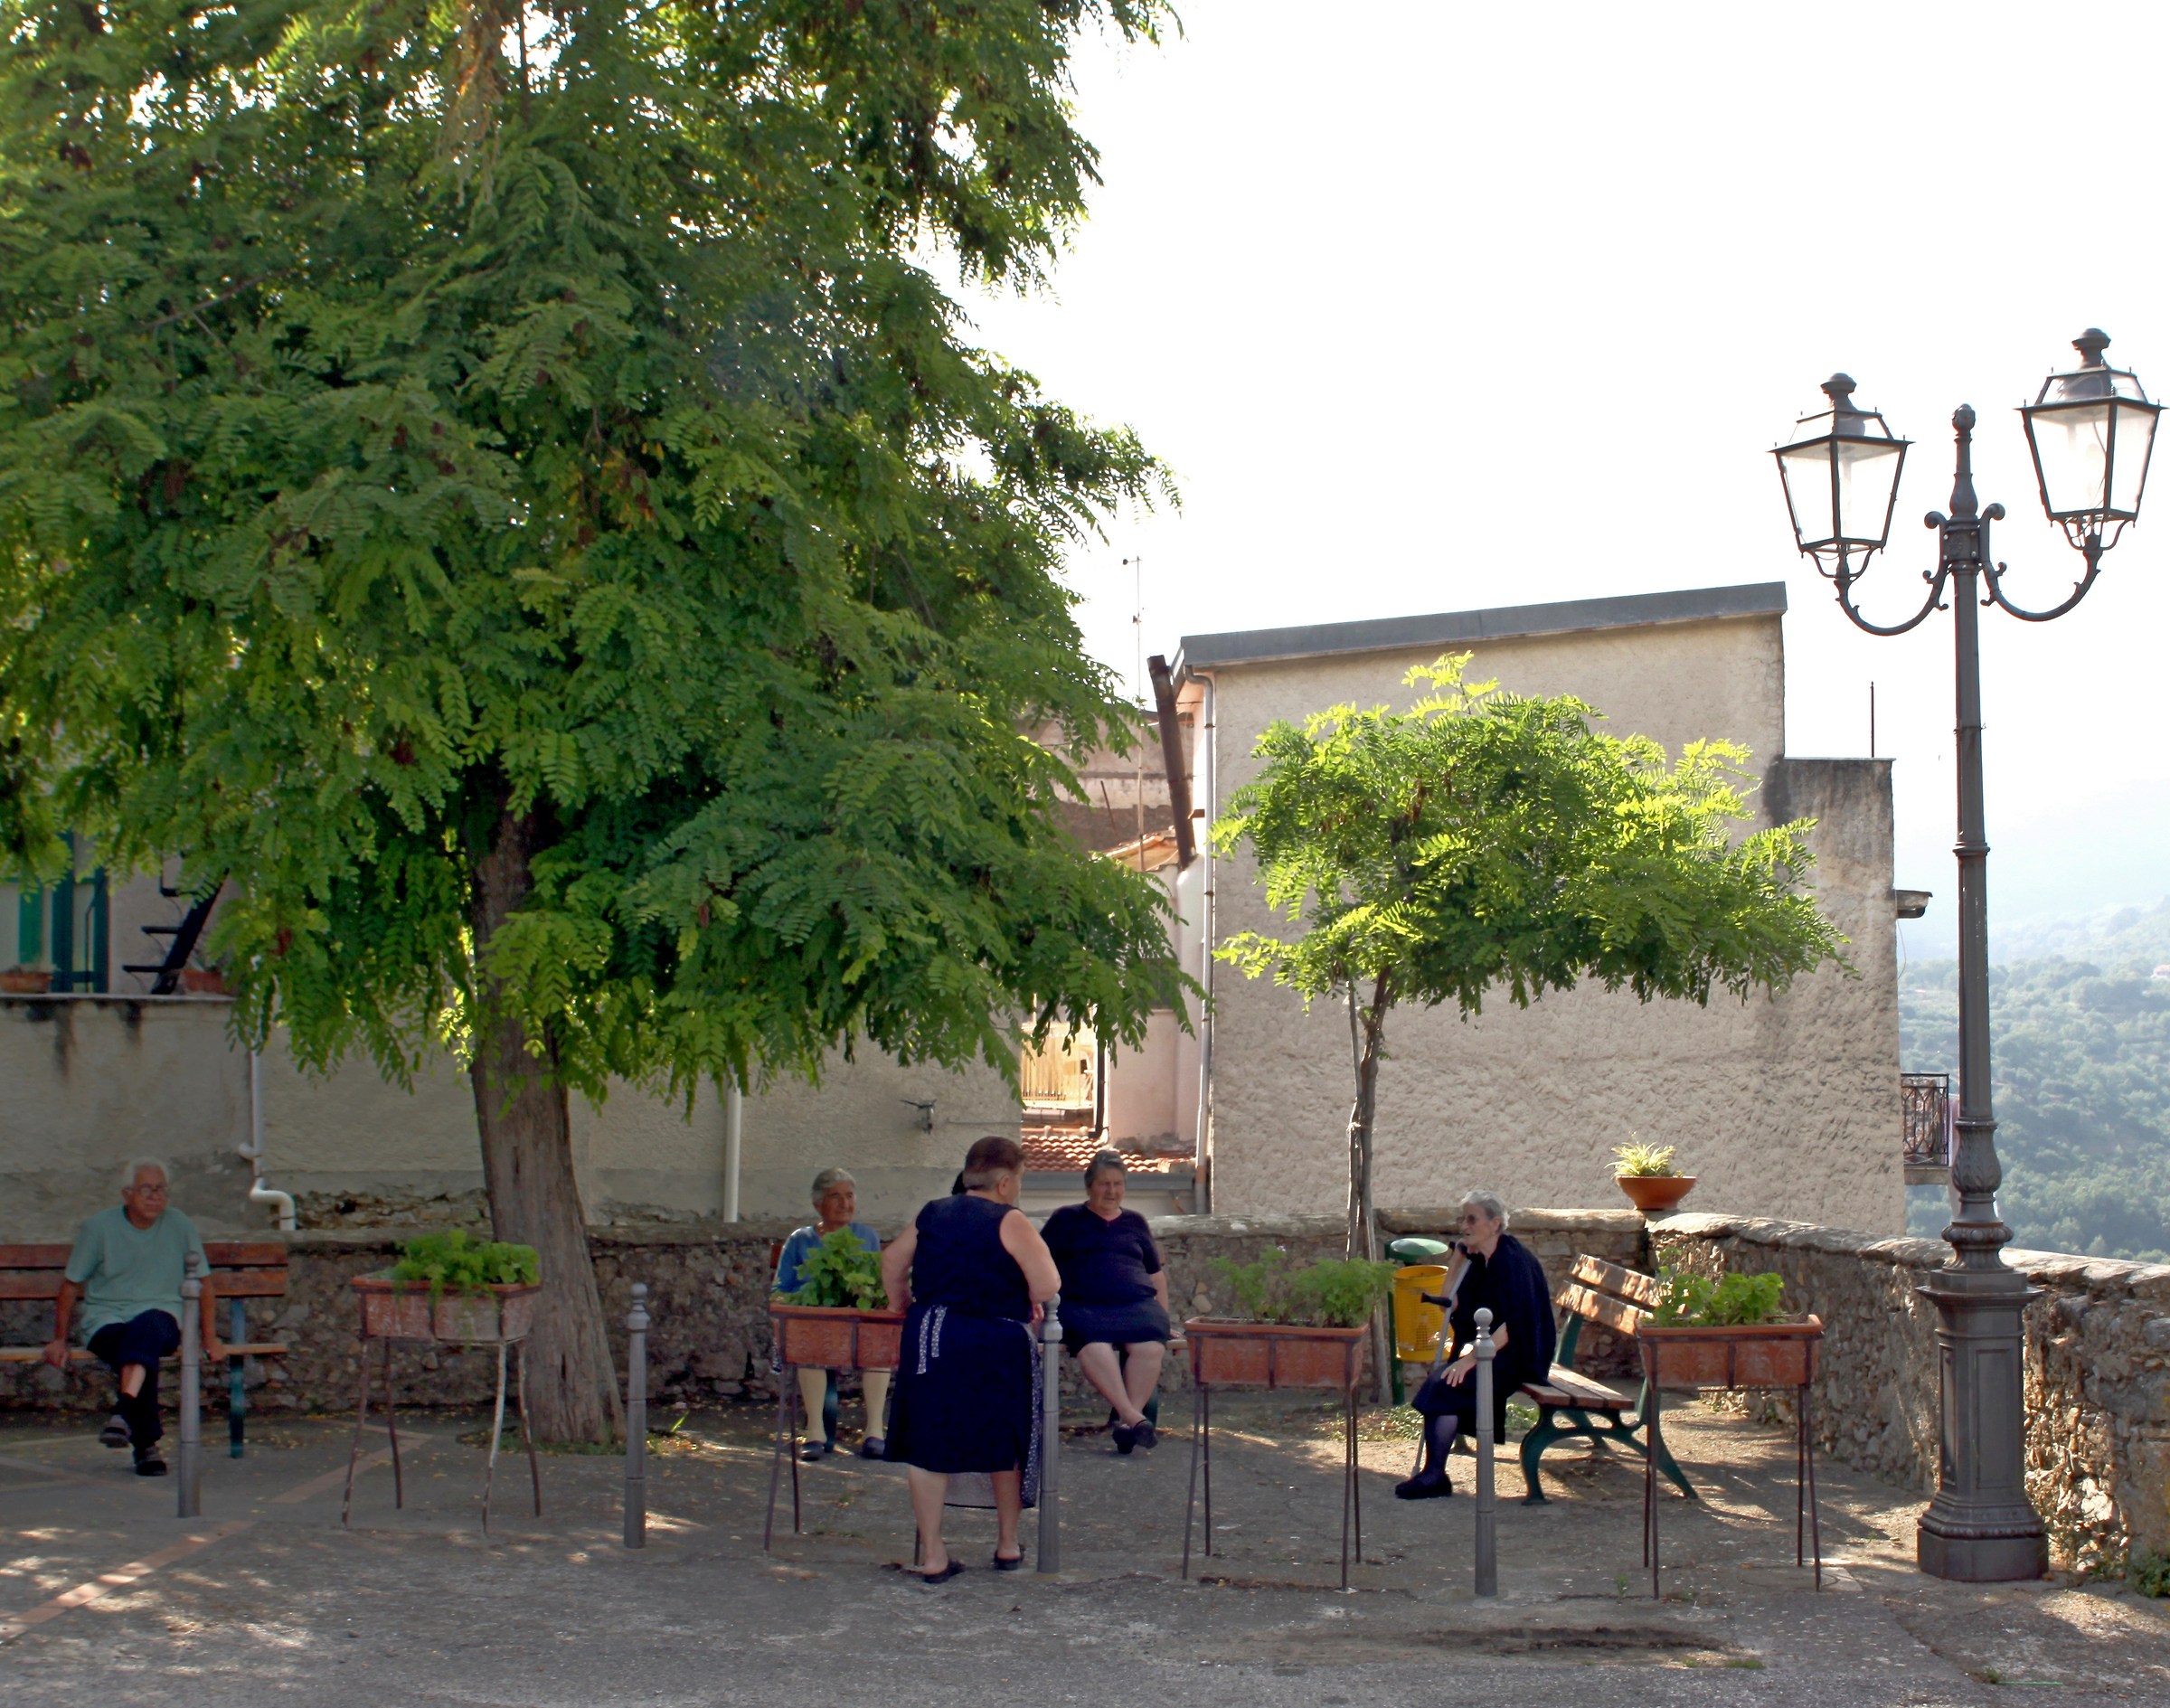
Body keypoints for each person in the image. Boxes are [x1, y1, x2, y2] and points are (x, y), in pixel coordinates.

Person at [881, 1136, 1059, 1582]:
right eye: (1019, 1180)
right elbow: (1048, 1285)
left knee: (928, 1444)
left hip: (931, 1333)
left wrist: (902, 1304)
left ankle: (934, 1555)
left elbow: (892, 1262)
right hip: (993, 1339)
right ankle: (1007, 1545)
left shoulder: (933, 1212)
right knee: (1004, 1438)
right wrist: (1025, 1293)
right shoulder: (1010, 1220)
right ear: (1004, 1183)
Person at [42, 1159, 224, 1477]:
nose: (155, 1196)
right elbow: (71, 1286)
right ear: (126, 1194)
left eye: (160, 1189)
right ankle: (143, 1442)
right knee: (139, 1349)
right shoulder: (98, 1228)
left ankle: (125, 1415)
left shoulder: (179, 1225)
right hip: (106, 1320)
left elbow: (204, 1284)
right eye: (145, 1189)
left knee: (147, 1328)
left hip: (162, 1318)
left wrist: (209, 1338)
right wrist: (59, 1339)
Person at [1395, 1188, 1556, 1500]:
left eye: (1472, 1219)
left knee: (1446, 1384)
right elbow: (1450, 1303)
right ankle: (1434, 1473)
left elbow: (1517, 1323)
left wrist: (1472, 1360)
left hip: (1520, 1353)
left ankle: (1434, 1476)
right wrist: (1456, 1261)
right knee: (1443, 1380)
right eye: (1463, 1219)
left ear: (1494, 1224)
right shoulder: (1482, 1259)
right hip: (1492, 1348)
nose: (1464, 1226)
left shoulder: (1511, 1261)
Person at [1040, 1150, 1172, 1454]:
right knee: (1094, 1344)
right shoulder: (1066, 1219)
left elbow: (1156, 1276)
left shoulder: (1135, 1222)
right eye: (1104, 1184)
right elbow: (1040, 1262)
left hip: (1136, 1305)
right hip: (1084, 1306)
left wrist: (1164, 1319)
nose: (1111, 1191)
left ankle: (1127, 1424)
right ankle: (1133, 1419)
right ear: (1089, 1186)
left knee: (1151, 1345)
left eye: (1118, 1184)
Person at [772, 1166, 890, 1462]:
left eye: (849, 1196)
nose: (844, 1203)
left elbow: (877, 1284)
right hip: (815, 1327)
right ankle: (815, 1433)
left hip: (857, 1327)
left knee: (878, 1347)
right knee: (809, 1346)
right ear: (818, 1204)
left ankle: (874, 1432)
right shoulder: (800, 1240)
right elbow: (780, 1289)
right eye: (835, 1197)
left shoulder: (866, 1236)